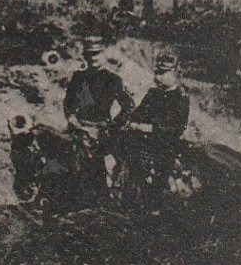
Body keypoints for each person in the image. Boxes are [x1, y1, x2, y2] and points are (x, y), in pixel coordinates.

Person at [121, 51, 191, 199]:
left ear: (175, 73)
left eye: (163, 72)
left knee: (160, 180)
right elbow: (138, 113)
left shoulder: (181, 99)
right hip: (143, 143)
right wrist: (129, 120)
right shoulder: (153, 94)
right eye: (157, 72)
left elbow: (176, 128)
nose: (158, 77)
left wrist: (146, 128)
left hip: (165, 146)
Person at [64, 37, 135, 169]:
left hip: (102, 132)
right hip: (79, 129)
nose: (93, 58)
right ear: (85, 56)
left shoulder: (113, 79)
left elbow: (129, 106)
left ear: (104, 55)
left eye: (97, 54)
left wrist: (113, 126)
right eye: (90, 54)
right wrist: (71, 118)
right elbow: (68, 103)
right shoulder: (78, 77)